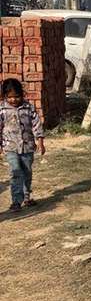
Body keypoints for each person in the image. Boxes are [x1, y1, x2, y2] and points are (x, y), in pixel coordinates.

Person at [0, 79, 45, 212]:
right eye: (10, 97)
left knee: (27, 172)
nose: (13, 100)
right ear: (5, 96)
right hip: (10, 147)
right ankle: (16, 201)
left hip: (28, 147)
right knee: (15, 172)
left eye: (17, 96)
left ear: (22, 94)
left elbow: (37, 124)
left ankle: (27, 197)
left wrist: (40, 141)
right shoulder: (2, 110)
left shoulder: (28, 108)